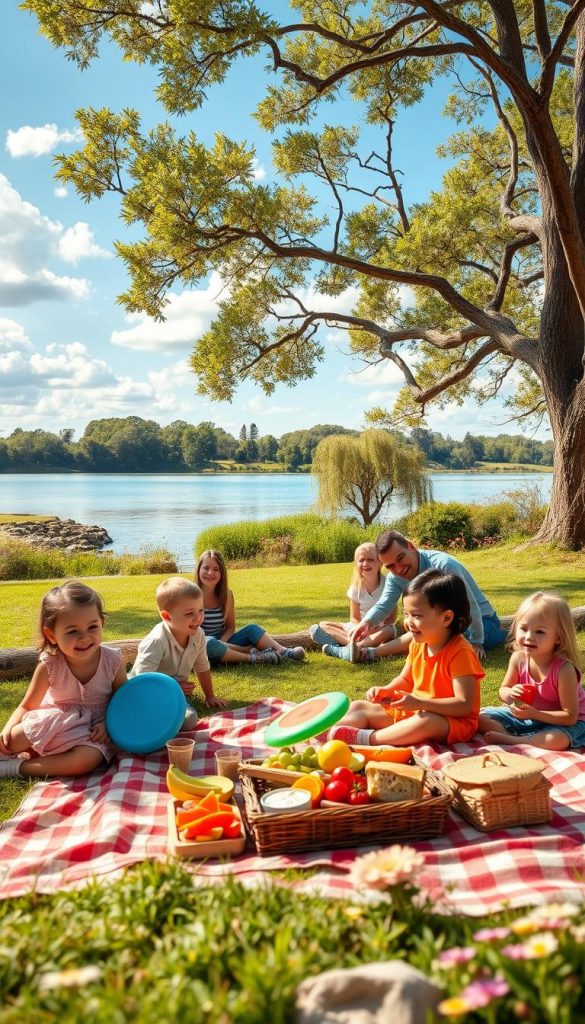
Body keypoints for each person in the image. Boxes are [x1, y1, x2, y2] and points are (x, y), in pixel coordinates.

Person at [328, 569, 485, 746]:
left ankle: (368, 739)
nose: (408, 622)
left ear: (446, 618)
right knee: (359, 706)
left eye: (416, 615)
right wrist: (387, 689)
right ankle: (328, 733)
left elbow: (463, 705)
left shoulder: (460, 653)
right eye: (406, 613)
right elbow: (406, 679)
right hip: (416, 710)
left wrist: (420, 703)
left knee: (427, 721)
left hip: (451, 722)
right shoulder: (418, 643)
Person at [0, 581, 127, 779]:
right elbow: (27, 706)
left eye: (92, 627)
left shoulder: (113, 661)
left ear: (102, 623)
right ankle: (12, 753)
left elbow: (124, 702)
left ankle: (18, 768)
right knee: (13, 738)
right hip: (54, 722)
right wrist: (8, 729)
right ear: (51, 635)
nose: (84, 637)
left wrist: (108, 723)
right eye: (72, 631)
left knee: (85, 761)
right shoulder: (50, 665)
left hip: (93, 730)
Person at [351, 530, 507, 661]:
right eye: (390, 566)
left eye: (400, 558)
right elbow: (384, 605)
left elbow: (470, 605)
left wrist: (477, 641)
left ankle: (369, 654)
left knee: (435, 635)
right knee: (427, 631)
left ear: (410, 546)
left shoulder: (444, 566)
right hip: (441, 623)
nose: (398, 569)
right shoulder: (395, 577)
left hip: (481, 621)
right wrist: (366, 622)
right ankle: (365, 652)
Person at [478, 591, 585, 750]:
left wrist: (534, 714)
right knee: (480, 718)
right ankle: (523, 738)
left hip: (565, 722)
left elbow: (569, 717)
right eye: (523, 628)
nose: (529, 636)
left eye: (539, 631)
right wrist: (512, 695)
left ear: (558, 638)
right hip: (530, 716)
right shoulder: (518, 658)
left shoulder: (564, 670)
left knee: (556, 739)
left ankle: (514, 740)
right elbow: (503, 689)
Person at [129, 578, 227, 728]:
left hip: (175, 693)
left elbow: (202, 665)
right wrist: (172, 687)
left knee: (189, 720)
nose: (198, 617)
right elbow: (142, 683)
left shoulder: (198, 634)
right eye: (189, 613)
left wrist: (210, 696)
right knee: (187, 720)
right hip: (146, 694)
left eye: (201, 610)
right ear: (167, 616)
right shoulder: (156, 642)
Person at [196, 549, 305, 664]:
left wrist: (222, 642)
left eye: (216, 569)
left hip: (225, 642)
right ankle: (253, 655)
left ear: (222, 573)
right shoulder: (190, 595)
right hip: (200, 645)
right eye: (206, 568)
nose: (210, 573)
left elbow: (230, 627)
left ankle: (284, 652)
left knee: (252, 629)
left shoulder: (227, 595)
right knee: (209, 643)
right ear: (199, 569)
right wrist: (216, 644)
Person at [309, 542, 397, 662]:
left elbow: (391, 618)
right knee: (322, 625)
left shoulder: (388, 585)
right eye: (361, 560)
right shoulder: (356, 587)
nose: (365, 563)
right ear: (356, 563)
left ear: (380, 562)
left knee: (390, 630)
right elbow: (354, 617)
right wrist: (359, 630)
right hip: (359, 628)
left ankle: (352, 648)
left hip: (379, 629)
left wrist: (371, 629)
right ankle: (352, 646)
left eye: (370, 560)